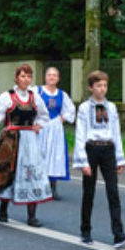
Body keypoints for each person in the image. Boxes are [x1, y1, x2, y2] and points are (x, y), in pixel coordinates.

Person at [0, 64, 52, 227]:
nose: (26, 79)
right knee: (9, 172)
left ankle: (32, 216)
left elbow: (44, 116)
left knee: (31, 173)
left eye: (28, 76)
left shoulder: (35, 97)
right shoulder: (8, 96)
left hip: (29, 140)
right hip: (11, 140)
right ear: (16, 78)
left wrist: (38, 125)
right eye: (22, 76)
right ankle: (3, 209)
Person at [73, 71, 125, 249]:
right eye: (98, 85)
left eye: (105, 85)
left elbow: (116, 133)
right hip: (92, 148)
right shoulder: (84, 108)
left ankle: (118, 233)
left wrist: (119, 159)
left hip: (108, 149)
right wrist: (83, 161)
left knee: (113, 192)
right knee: (89, 192)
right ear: (91, 87)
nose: (102, 89)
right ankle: (85, 230)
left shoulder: (111, 107)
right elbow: (80, 134)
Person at [38, 67, 76, 200]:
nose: (52, 77)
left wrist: (62, 118)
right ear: (45, 77)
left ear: (58, 78)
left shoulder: (62, 94)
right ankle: (39, 186)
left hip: (55, 130)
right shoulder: (37, 91)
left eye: (54, 75)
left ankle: (52, 187)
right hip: (41, 128)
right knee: (40, 156)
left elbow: (70, 109)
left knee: (55, 157)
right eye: (49, 75)